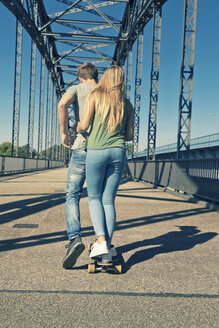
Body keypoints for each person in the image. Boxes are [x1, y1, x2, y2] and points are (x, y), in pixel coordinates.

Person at [77, 65, 134, 262]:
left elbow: (83, 126)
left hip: (96, 151)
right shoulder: (126, 103)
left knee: (94, 197)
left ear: (106, 78)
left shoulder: (95, 95)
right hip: (118, 152)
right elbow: (129, 136)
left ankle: (100, 240)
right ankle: (107, 249)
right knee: (108, 200)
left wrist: (77, 126)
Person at [58, 62, 98, 269]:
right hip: (102, 150)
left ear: (80, 77)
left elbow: (62, 104)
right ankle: (102, 241)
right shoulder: (104, 90)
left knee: (72, 194)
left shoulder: (76, 88)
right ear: (96, 76)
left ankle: (75, 238)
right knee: (99, 197)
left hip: (82, 147)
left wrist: (65, 133)